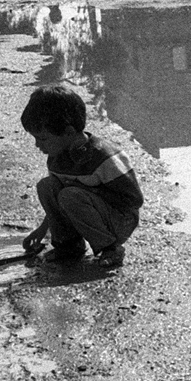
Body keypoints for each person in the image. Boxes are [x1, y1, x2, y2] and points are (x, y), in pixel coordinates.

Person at [20, 85, 142, 268]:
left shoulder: (104, 157)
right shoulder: (56, 158)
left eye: (43, 138)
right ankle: (68, 244)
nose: (38, 145)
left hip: (120, 220)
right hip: (86, 210)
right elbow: (57, 198)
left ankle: (111, 248)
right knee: (47, 186)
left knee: (70, 195)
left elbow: (134, 200)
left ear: (69, 132)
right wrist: (42, 229)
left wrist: (86, 192)